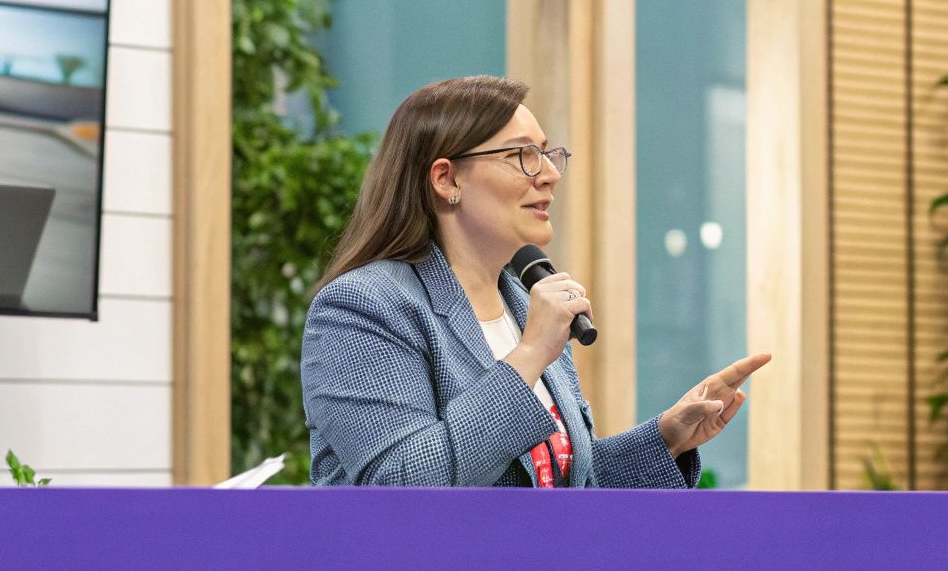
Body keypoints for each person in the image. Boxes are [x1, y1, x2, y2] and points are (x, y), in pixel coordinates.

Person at [301, 75, 769, 488]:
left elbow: (560, 486)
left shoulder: (526, 308)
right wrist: (528, 356)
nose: (548, 175)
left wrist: (666, 438)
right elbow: (402, 483)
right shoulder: (363, 307)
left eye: (546, 154)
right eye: (522, 155)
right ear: (446, 179)